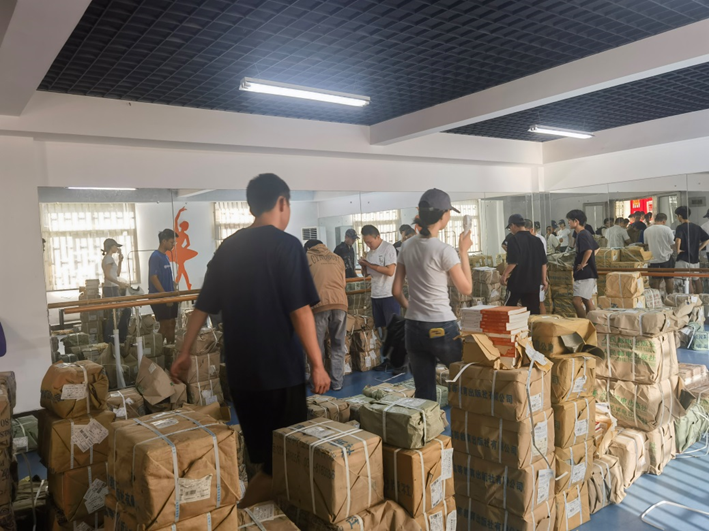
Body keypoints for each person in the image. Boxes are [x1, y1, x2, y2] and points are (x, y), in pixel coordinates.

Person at [170, 173, 330, 507]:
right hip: (280, 374)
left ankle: (264, 518)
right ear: (282, 203)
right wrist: (318, 364)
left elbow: (202, 306)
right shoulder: (287, 245)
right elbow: (300, 311)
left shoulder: (228, 248)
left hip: (241, 377)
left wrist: (184, 352)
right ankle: (240, 516)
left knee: (262, 457)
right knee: (283, 459)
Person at [392, 189, 472, 401]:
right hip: (441, 326)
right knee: (466, 380)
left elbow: (396, 291)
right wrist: (463, 252)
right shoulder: (445, 250)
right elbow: (466, 289)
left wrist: (413, 308)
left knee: (424, 392)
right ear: (443, 215)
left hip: (413, 327)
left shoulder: (406, 246)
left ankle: (428, 422)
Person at [304, 239, 348, 391]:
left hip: (319, 305)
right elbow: (343, 284)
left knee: (317, 346)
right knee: (338, 344)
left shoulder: (306, 258)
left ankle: (318, 382)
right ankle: (337, 383)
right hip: (340, 304)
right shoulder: (337, 258)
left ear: (308, 248)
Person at [501, 216, 548, 315]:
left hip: (517, 282)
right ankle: (532, 325)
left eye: (510, 228)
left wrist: (504, 275)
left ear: (513, 225)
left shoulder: (514, 240)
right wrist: (543, 280)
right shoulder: (537, 240)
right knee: (533, 312)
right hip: (533, 283)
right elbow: (543, 263)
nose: (510, 230)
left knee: (508, 310)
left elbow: (513, 262)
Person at [359, 225, 400, 333]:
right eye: (366, 243)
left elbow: (390, 271)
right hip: (375, 294)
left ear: (377, 237)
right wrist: (363, 265)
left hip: (389, 294)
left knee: (393, 327)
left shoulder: (388, 248)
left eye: (370, 242)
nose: (368, 245)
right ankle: (382, 343)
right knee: (380, 327)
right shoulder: (370, 253)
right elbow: (365, 274)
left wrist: (368, 264)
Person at [149, 229, 178, 344]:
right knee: (165, 325)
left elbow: (164, 276)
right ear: (164, 241)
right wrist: (165, 295)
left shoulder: (165, 257)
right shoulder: (155, 257)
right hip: (160, 296)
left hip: (169, 295)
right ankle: (157, 349)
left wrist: (173, 286)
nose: (173, 244)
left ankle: (171, 348)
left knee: (172, 323)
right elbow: (153, 277)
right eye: (171, 242)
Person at [568, 210, 599, 318]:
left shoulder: (582, 234)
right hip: (587, 272)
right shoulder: (585, 233)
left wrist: (583, 263)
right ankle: (593, 322)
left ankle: (584, 322)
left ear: (576, 221)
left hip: (584, 273)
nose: (568, 223)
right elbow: (596, 248)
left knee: (576, 301)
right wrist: (590, 260)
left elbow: (589, 250)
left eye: (569, 220)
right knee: (586, 299)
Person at [674, 206, 709, 294]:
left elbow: (678, 240)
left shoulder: (680, 227)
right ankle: (700, 298)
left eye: (677, 216)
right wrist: (699, 248)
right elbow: (707, 239)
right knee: (697, 280)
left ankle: (691, 299)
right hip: (695, 259)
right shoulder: (697, 227)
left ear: (680, 216)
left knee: (687, 280)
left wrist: (677, 250)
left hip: (684, 258)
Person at [101, 238, 130, 343]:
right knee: (115, 312)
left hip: (113, 287)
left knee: (120, 311)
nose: (117, 248)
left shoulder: (110, 259)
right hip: (110, 288)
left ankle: (119, 335)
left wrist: (120, 260)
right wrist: (119, 283)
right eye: (115, 246)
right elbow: (107, 276)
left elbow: (117, 274)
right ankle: (110, 336)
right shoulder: (108, 259)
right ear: (111, 247)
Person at [644, 213, 675, 293]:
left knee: (655, 280)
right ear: (664, 221)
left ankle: (656, 298)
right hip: (666, 258)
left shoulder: (647, 230)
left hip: (653, 259)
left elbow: (646, 244)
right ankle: (669, 297)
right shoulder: (667, 229)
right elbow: (672, 243)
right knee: (668, 279)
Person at [173, 207, 199, 290]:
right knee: (182, 268)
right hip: (178, 251)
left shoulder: (180, 233)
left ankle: (178, 283)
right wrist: (179, 211)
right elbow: (188, 244)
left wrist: (183, 249)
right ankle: (186, 284)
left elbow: (176, 220)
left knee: (181, 268)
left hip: (179, 251)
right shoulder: (182, 234)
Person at [531, 221, 549, 314]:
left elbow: (543, 260)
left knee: (540, 300)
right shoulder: (534, 239)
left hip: (538, 270)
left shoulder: (539, 239)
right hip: (533, 272)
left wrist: (544, 278)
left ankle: (543, 320)